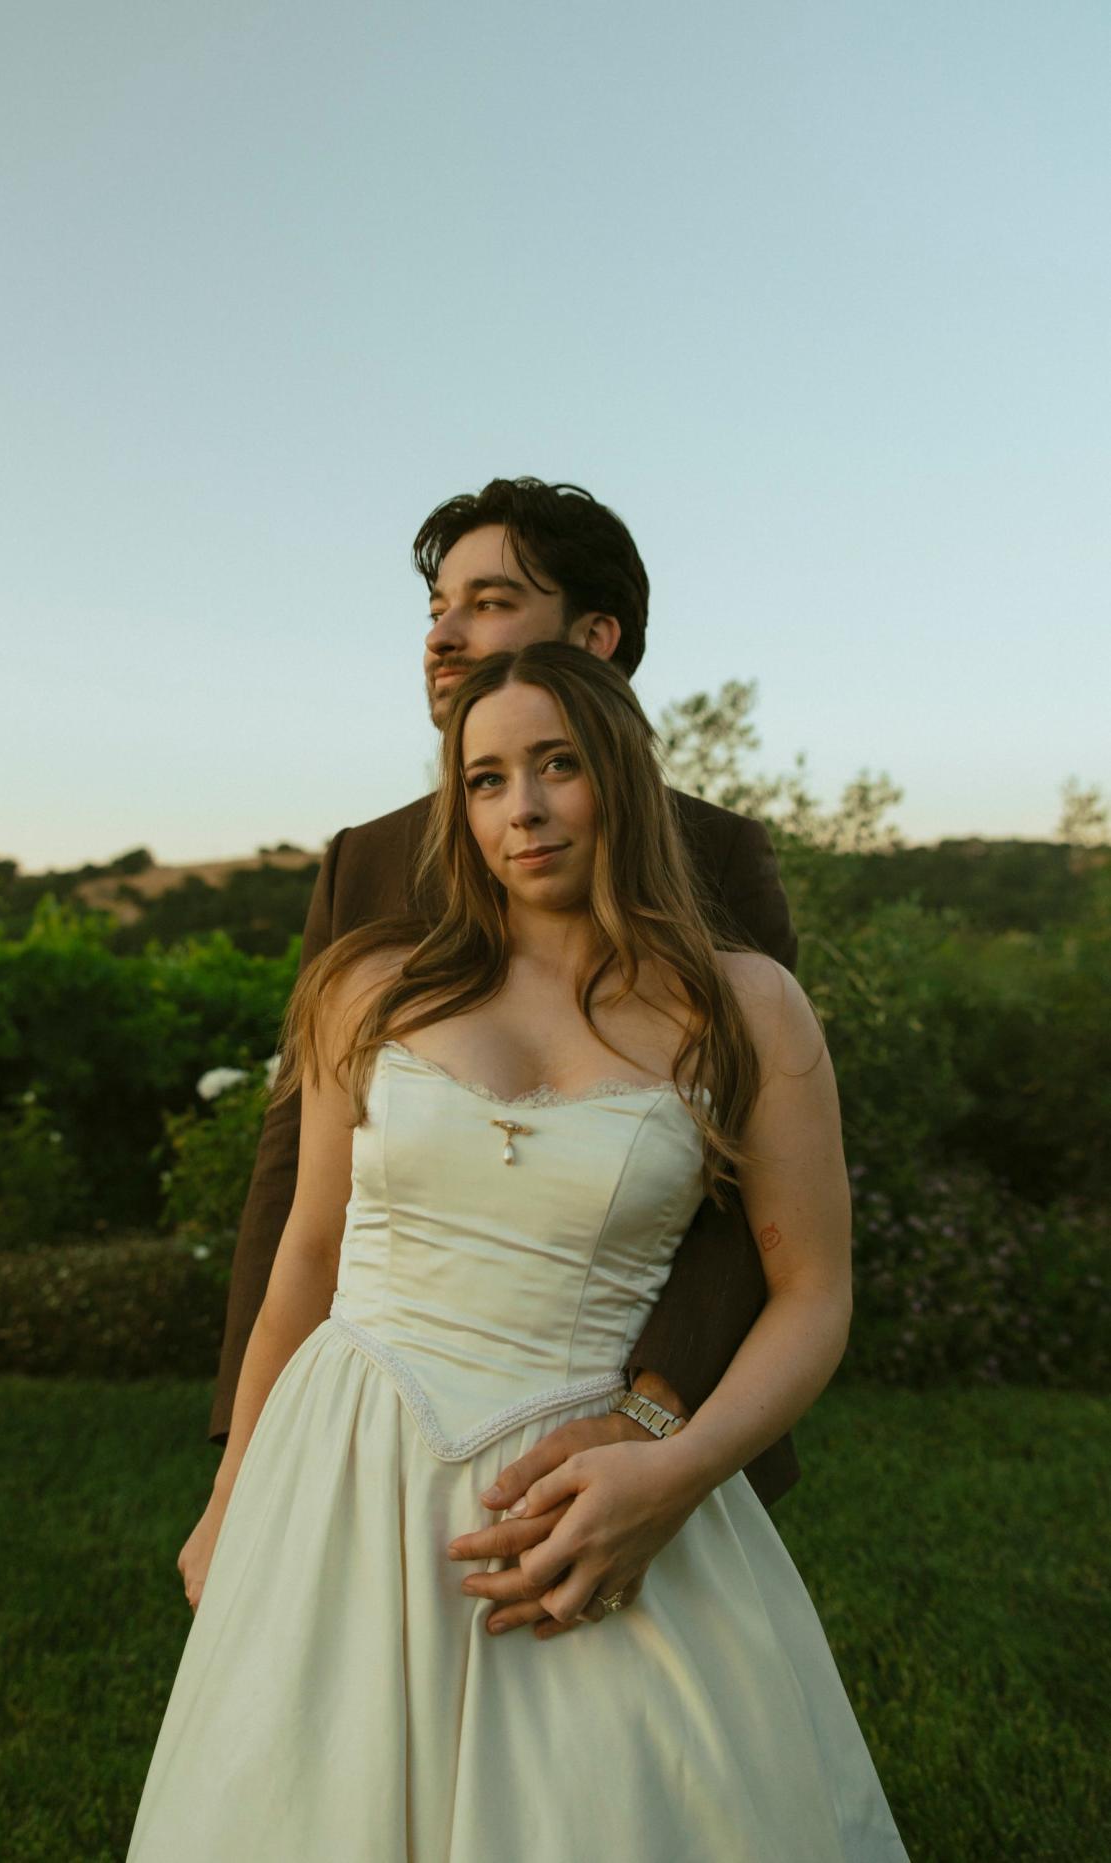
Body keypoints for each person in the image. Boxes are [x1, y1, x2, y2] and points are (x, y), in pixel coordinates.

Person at [128, 641, 909, 1859]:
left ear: (625, 779)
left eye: (558, 766)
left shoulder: (746, 1006)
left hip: (581, 1490)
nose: (525, 809)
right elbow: (306, 1257)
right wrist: (232, 1497)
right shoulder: (368, 988)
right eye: (485, 779)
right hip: (342, 1476)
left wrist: (674, 1469)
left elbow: (811, 1295)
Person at [199, 476, 802, 1642]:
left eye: (487, 601)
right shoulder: (366, 865)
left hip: (617, 1434)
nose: (443, 633)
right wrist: (245, 1459)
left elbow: (743, 1183)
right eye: (435, 606)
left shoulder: (719, 860)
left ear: (594, 638)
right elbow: (297, 1186)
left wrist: (657, 1429)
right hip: (364, 1434)